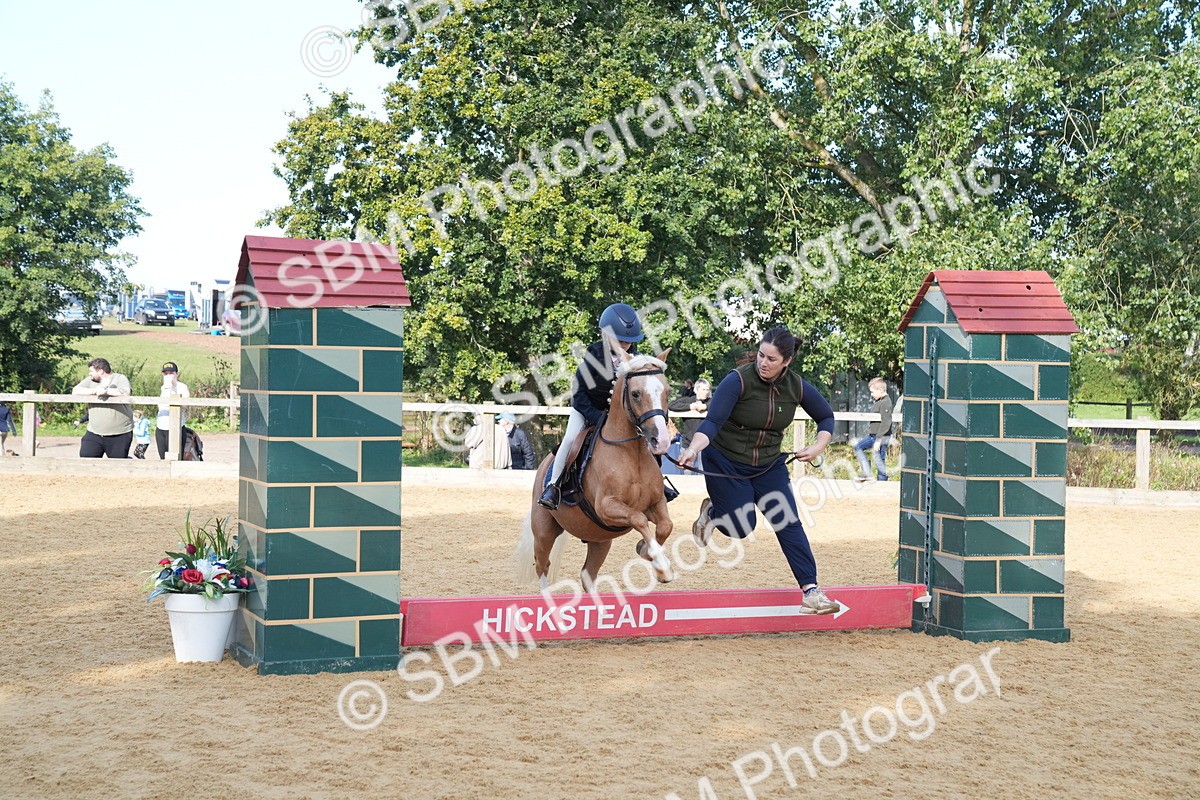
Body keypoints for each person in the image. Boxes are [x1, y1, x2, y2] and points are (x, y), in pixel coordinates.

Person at [676, 327, 841, 614]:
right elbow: (712, 423)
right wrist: (693, 449)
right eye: (761, 355)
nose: (763, 363)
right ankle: (712, 514)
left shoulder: (796, 386)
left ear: (787, 361)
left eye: (772, 359)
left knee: (788, 523)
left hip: (768, 465)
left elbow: (826, 416)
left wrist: (818, 446)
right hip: (725, 460)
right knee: (742, 526)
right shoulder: (737, 380)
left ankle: (811, 591)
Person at [538, 303, 679, 510]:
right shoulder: (592, 359)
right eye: (620, 340)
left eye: (629, 341)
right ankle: (554, 486)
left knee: (648, 440)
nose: (625, 345)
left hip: (622, 418)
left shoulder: (637, 361)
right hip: (588, 412)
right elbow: (579, 396)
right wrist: (597, 418)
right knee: (569, 441)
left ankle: (658, 484)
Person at [72, 357, 134, 458]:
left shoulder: (119, 378)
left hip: (119, 433)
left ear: (100, 371)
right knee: (86, 460)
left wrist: (106, 391)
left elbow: (126, 392)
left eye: (91, 371)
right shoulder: (90, 381)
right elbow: (75, 391)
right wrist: (94, 391)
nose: (89, 374)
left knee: (117, 467)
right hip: (94, 432)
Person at [854, 377, 894, 482]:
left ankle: (882, 481)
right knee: (858, 447)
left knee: (879, 459)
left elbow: (886, 422)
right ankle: (867, 473)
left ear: (880, 390)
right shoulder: (879, 401)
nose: (871, 394)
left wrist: (879, 440)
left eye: (872, 392)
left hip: (881, 436)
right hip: (873, 435)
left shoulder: (886, 403)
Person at [667, 378, 711, 471]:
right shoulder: (689, 400)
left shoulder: (712, 401)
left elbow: (719, 404)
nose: (706, 392)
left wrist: (705, 406)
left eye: (707, 389)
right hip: (688, 443)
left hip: (706, 446)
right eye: (703, 389)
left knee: (704, 475)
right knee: (687, 473)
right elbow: (671, 405)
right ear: (697, 389)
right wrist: (691, 406)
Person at [156, 362, 190, 459]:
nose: (168, 376)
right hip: (161, 426)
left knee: (176, 457)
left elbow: (185, 405)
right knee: (163, 457)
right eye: (165, 374)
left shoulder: (182, 387)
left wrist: (172, 389)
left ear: (177, 374)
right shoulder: (163, 387)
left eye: (171, 373)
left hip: (176, 426)